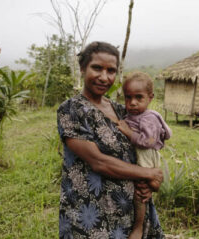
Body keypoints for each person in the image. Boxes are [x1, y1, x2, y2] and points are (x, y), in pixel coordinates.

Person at [57, 42, 164, 238]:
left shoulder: (122, 110)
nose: (104, 77)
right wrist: (148, 173)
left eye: (111, 70)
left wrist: (147, 185)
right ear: (82, 68)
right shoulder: (72, 110)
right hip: (92, 215)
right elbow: (98, 162)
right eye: (97, 68)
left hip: (131, 212)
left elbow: (143, 150)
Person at [116, 72, 172, 239]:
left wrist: (128, 132)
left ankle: (138, 227)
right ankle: (153, 183)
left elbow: (147, 141)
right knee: (143, 186)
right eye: (128, 98)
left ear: (150, 97)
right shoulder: (136, 114)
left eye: (139, 97)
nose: (132, 103)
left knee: (141, 191)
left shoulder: (148, 118)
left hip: (146, 153)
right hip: (144, 154)